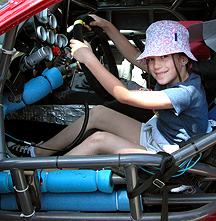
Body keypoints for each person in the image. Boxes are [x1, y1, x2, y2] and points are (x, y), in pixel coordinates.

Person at [7, 16, 209, 157]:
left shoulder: (186, 93)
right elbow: (131, 55)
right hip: (159, 134)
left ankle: (38, 180)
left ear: (183, 59)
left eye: (164, 56)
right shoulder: (172, 71)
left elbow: (124, 96)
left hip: (173, 156)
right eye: (152, 58)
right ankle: (39, 152)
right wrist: (107, 27)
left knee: (99, 140)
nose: (156, 66)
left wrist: (89, 59)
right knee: (99, 113)